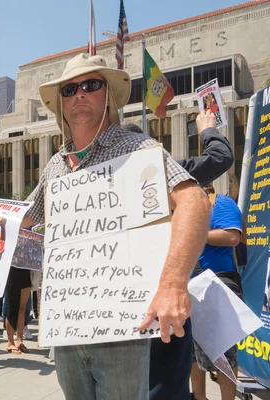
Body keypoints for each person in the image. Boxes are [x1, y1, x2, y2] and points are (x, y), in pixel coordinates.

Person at [0, 54, 210, 399]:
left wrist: (174, 284)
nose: (80, 94)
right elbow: (26, 216)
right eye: (70, 88)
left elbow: (193, 200)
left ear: (109, 95)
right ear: (60, 103)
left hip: (122, 327)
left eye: (91, 85)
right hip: (68, 326)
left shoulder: (138, 148)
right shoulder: (56, 166)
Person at [129, 110, 234, 400]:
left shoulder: (93, 177)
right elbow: (220, 158)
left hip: (121, 297)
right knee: (166, 379)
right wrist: (207, 129)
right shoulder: (157, 168)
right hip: (161, 291)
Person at [190, 187, 244, 400]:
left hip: (217, 284)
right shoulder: (180, 209)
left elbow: (231, 237)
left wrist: (192, 233)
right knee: (192, 353)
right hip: (188, 287)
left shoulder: (221, 203)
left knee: (224, 351)